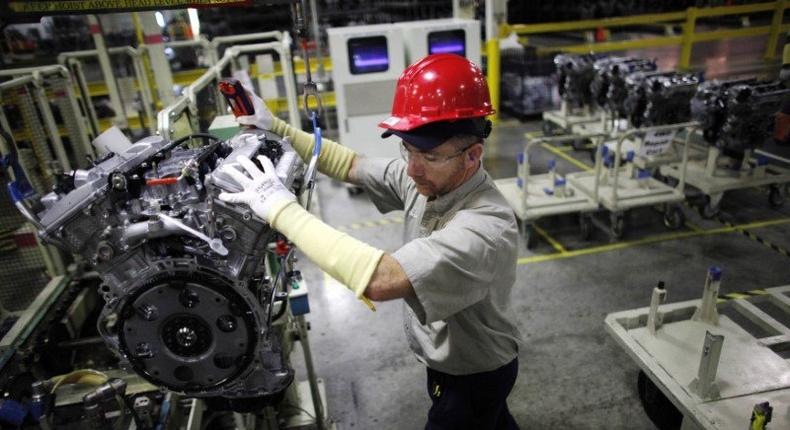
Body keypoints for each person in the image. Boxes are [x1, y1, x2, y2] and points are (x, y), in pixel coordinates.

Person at [219, 54, 522, 430]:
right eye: (407, 150)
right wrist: (276, 127)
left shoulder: (486, 228)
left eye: (428, 155)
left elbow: (380, 278)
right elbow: (352, 164)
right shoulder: (428, 179)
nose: (412, 168)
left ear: (473, 155)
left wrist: (280, 208)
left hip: (474, 373)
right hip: (456, 362)